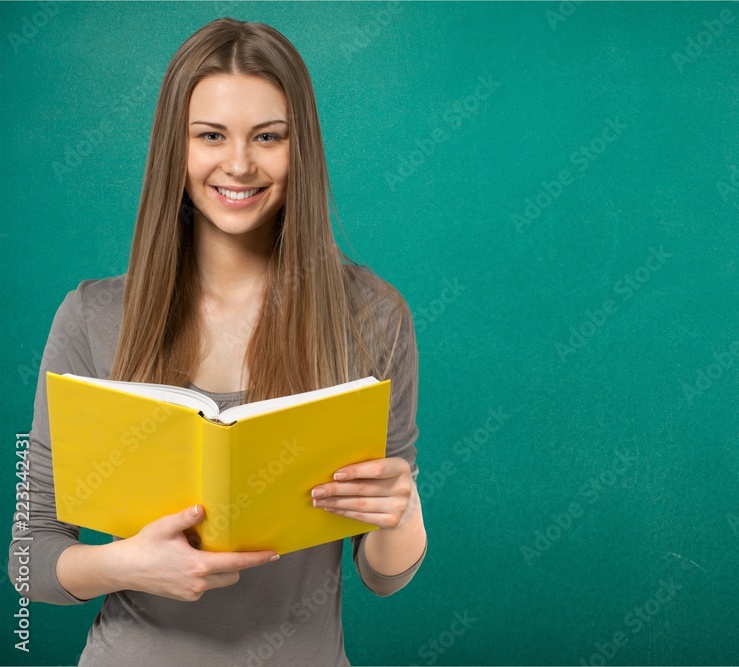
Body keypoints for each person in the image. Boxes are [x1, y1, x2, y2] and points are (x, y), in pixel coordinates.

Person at [7, 17, 427, 666]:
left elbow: (382, 575)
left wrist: (401, 512)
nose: (239, 163)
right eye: (210, 136)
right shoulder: (89, 317)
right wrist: (129, 563)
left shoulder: (372, 317)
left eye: (268, 137)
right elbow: (29, 558)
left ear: (301, 149)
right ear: (175, 149)